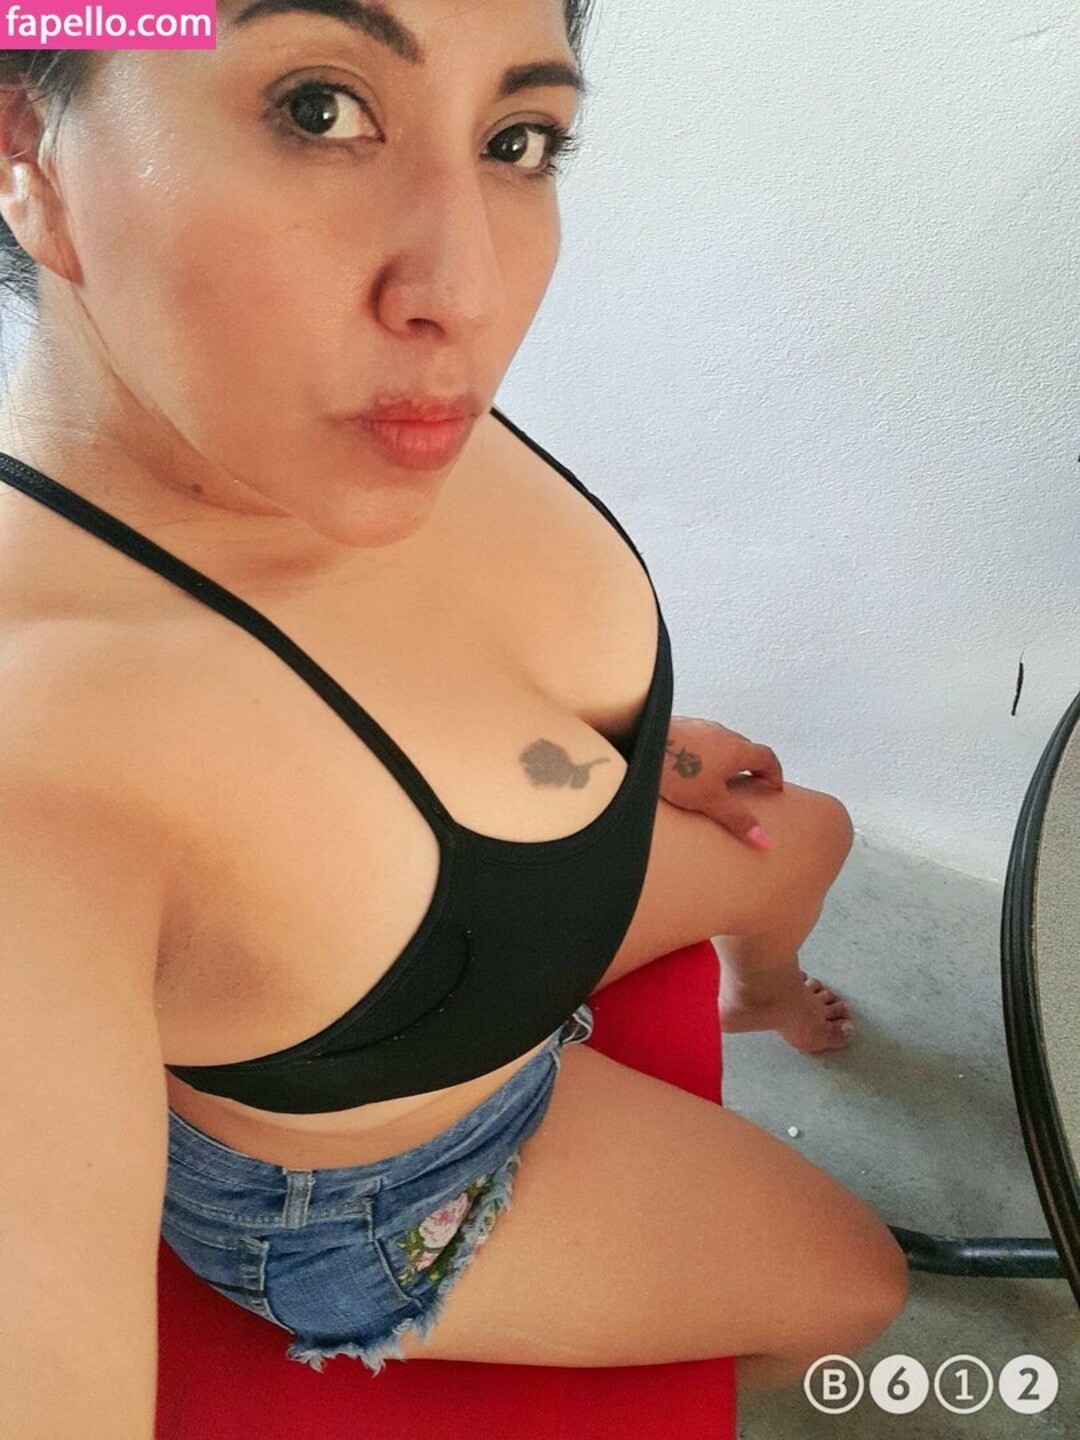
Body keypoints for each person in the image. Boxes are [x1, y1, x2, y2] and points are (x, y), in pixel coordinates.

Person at [0, 3, 908, 1436]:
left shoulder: (344, 399)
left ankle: (761, 993)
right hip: (387, 1185)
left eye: (518, 139)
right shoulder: (37, 761)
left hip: (507, 928)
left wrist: (617, 751)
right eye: (318, 110)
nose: (468, 289)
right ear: (28, 140)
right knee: (857, 1287)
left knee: (811, 836)